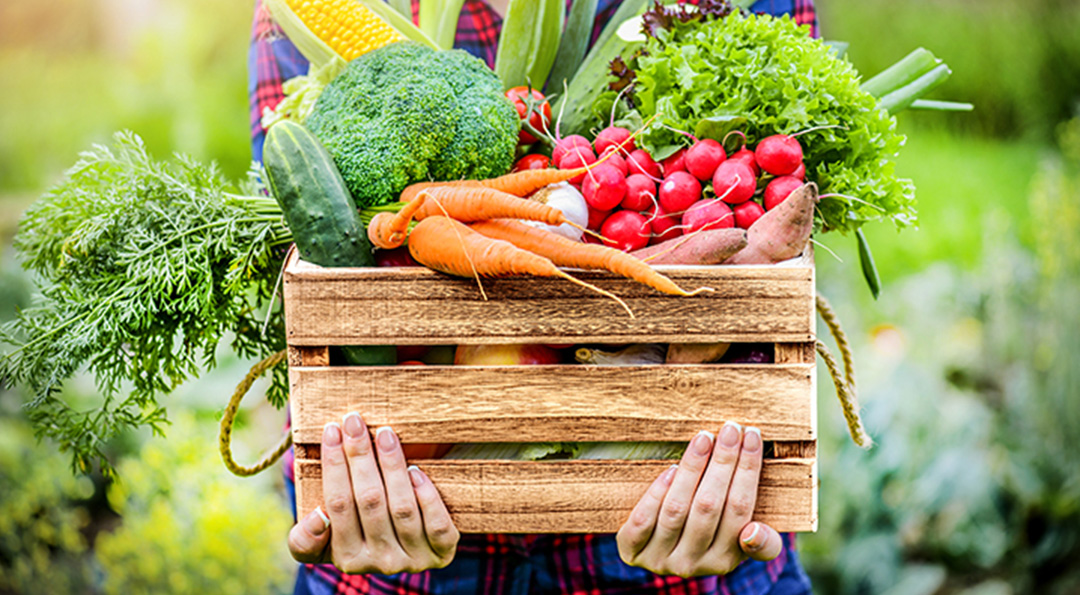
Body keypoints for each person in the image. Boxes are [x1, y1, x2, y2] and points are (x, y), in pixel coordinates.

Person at [249, 2, 819, 593]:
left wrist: (749, 474)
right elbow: (302, 246)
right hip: (391, 541)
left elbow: (775, 282)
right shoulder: (300, 10)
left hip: (684, 550)